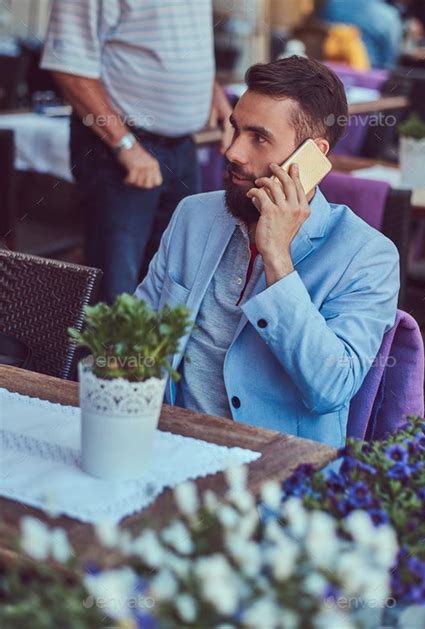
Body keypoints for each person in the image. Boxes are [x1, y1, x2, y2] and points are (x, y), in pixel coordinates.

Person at [136, 57, 400, 449]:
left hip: (276, 469)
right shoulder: (194, 215)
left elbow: (330, 389)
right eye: (236, 130)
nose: (232, 152)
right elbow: (135, 332)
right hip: (166, 442)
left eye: (259, 137)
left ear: (311, 158)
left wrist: (278, 256)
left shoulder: (368, 257)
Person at [40, 0, 232, 304]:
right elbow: (69, 68)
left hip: (182, 146)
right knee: (118, 293)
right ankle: (113, 355)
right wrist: (124, 144)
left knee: (176, 279)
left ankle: (155, 354)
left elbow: (176, 41)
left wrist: (213, 92)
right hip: (120, 149)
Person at [317, 0, 404, 69]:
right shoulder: (390, 16)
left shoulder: (333, 4)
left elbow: (319, 35)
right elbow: (388, 62)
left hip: (329, 72)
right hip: (370, 80)